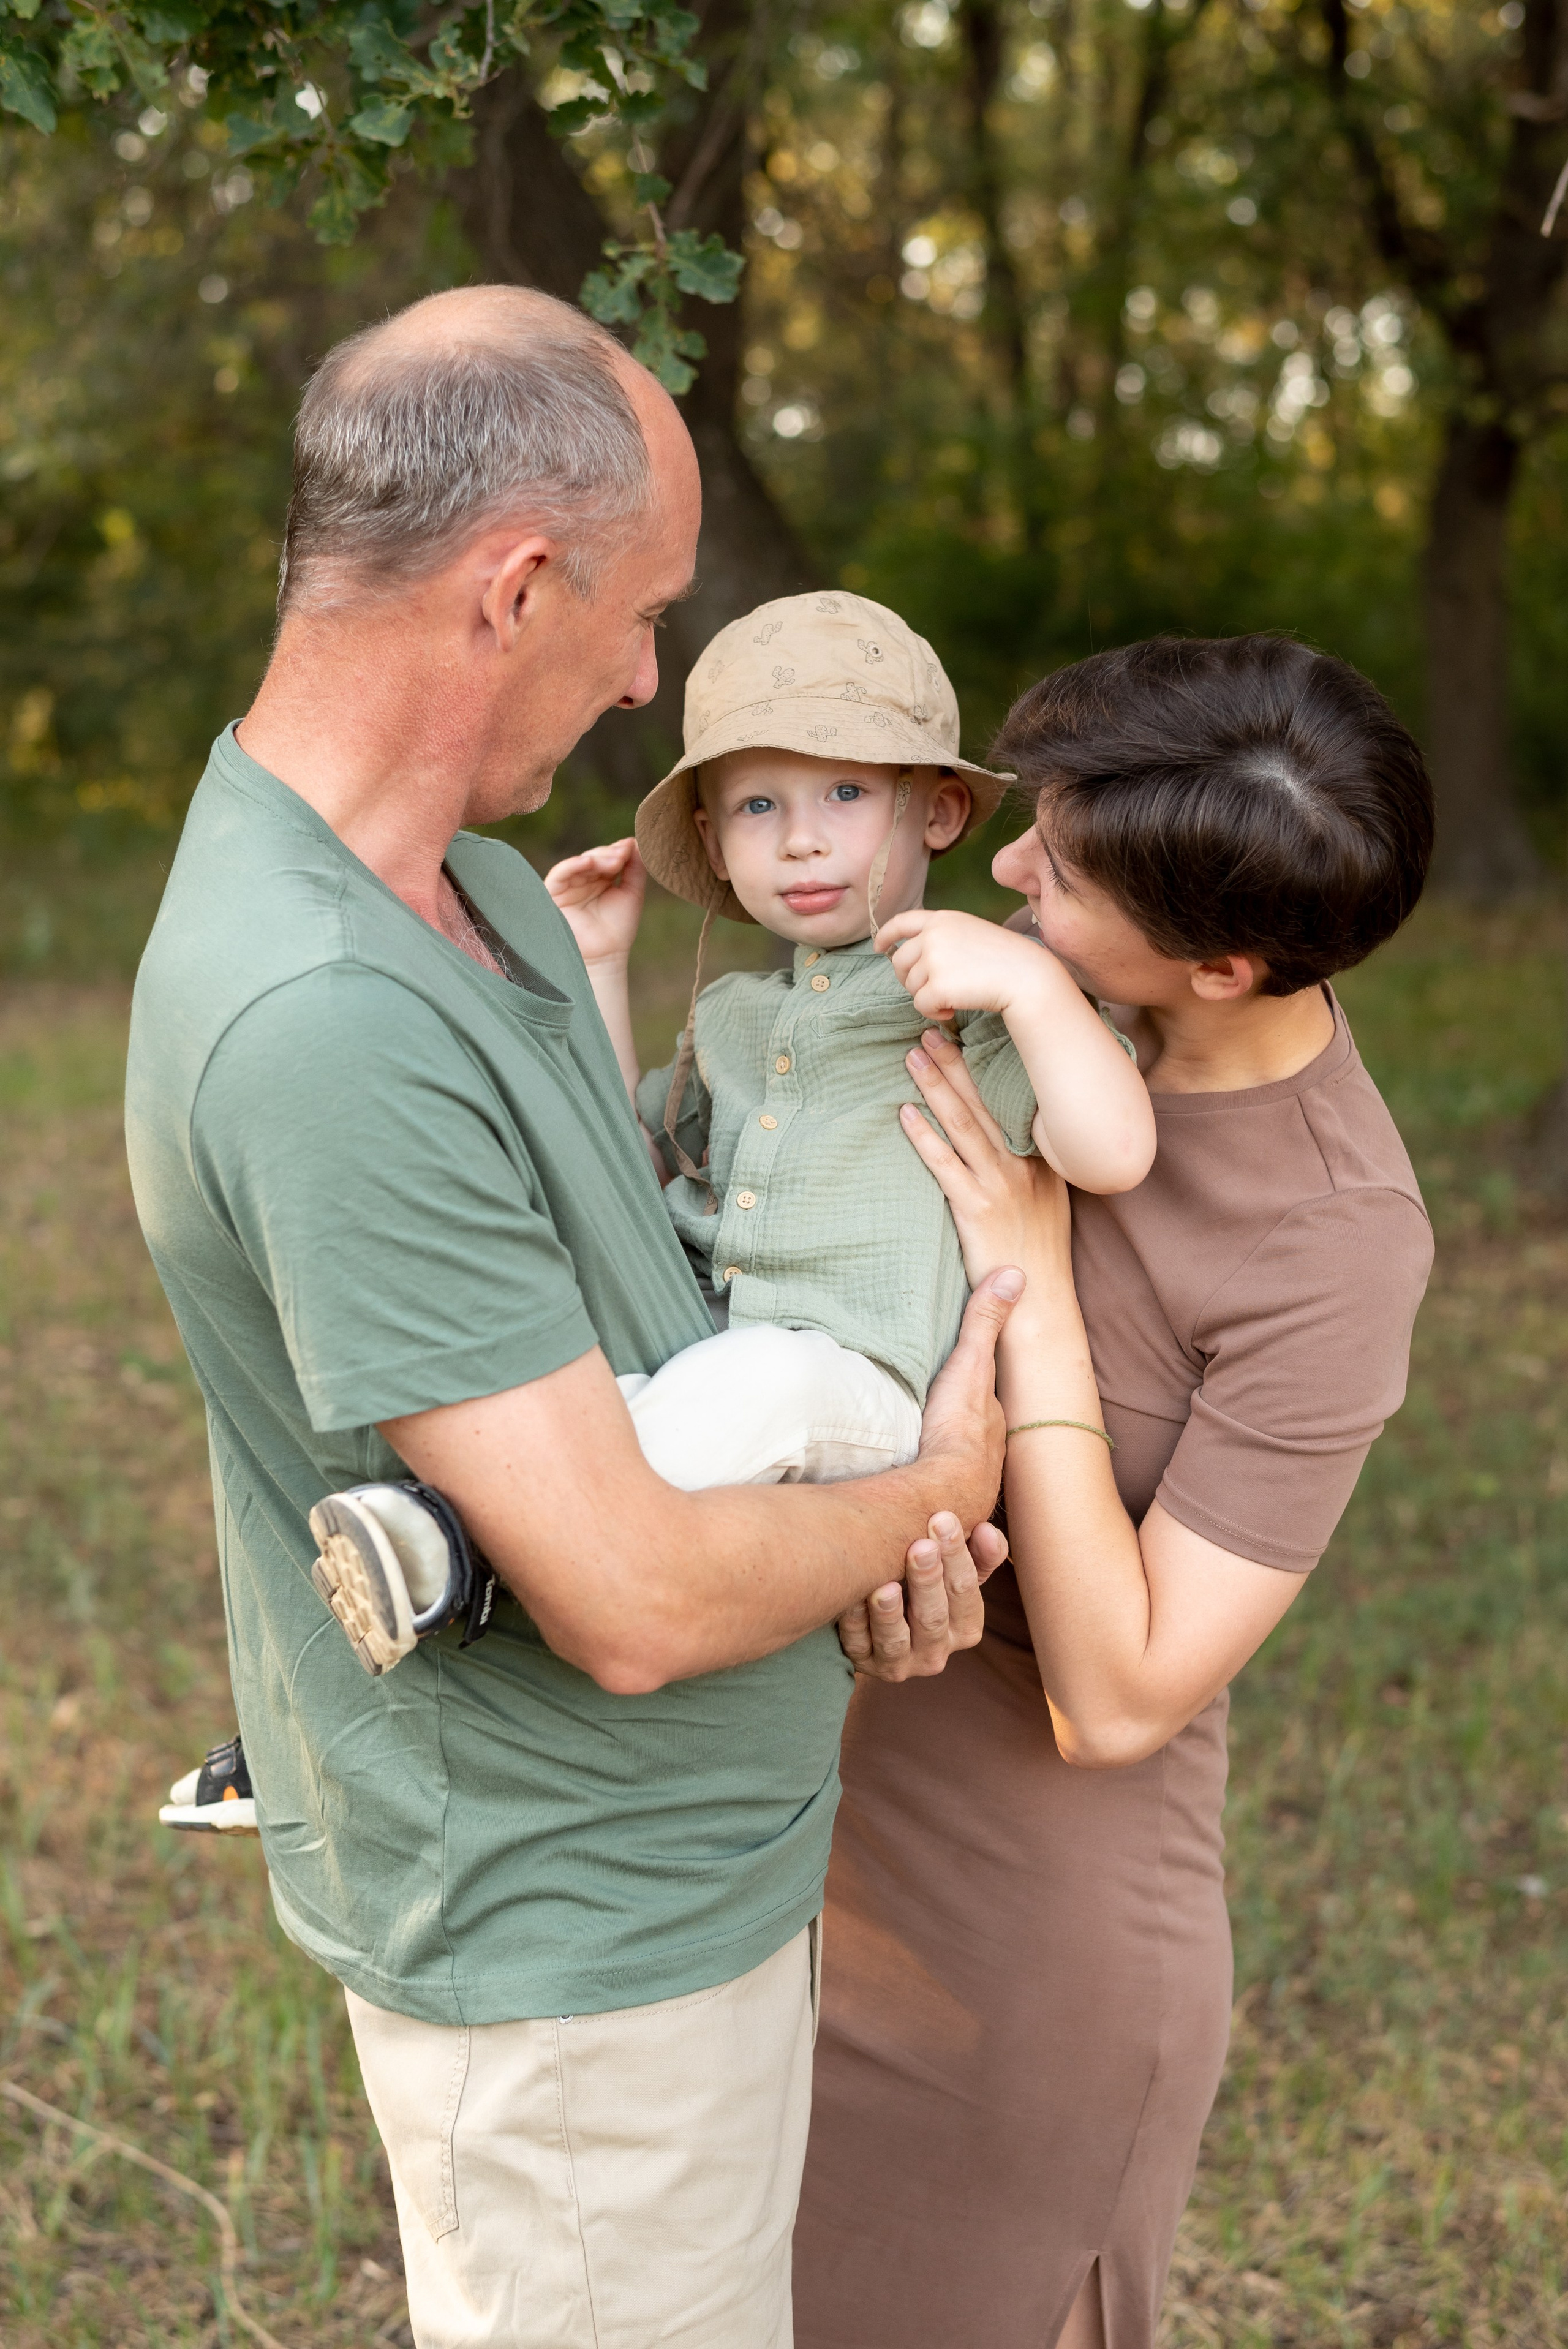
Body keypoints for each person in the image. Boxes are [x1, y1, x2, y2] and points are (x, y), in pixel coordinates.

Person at [124, 284, 1018, 2349]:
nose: (644, 682)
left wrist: (873, 1532)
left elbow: (675, 1333)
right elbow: (620, 1586)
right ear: (514, 588)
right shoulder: (322, 1020)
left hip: (696, 1874)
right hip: (569, 1952)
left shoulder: (501, 901)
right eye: (640, 618)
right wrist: (947, 1475)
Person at [791, 635, 1436, 2349]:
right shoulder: (1018, 997)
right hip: (786, 1845)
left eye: (1059, 873)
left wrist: (1040, 1289)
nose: (1005, 870)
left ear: (1223, 962)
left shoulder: (1335, 1243)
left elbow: (1125, 1692)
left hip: (1013, 1951)